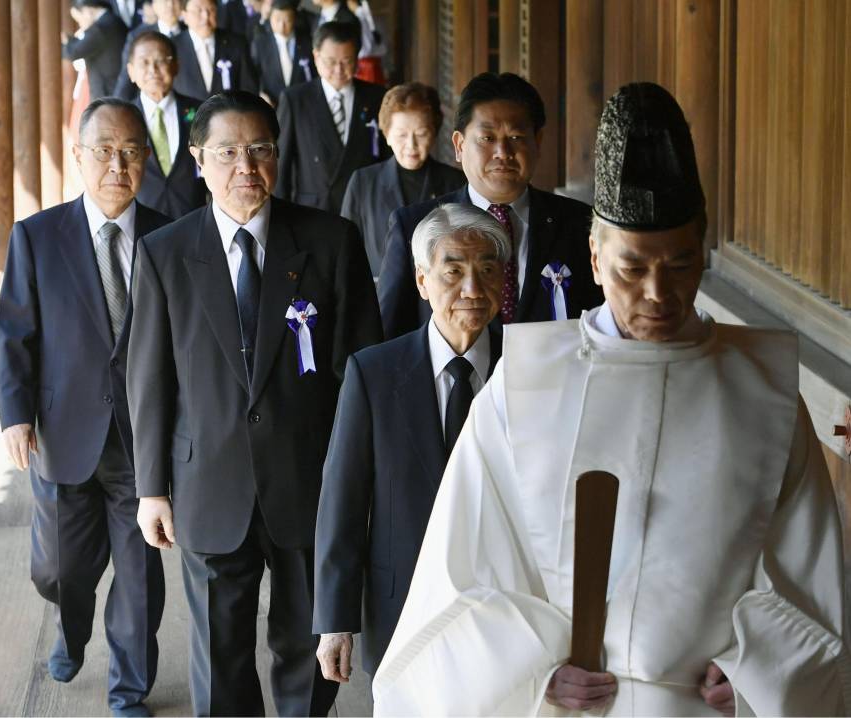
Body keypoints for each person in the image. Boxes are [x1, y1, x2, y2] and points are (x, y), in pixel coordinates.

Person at [372, 82, 851, 716]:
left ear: (703, 254)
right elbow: (464, 570)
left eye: (680, 265)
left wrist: (758, 667)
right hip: (569, 701)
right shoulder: (526, 383)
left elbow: (807, 572)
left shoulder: (760, 390)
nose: (658, 292)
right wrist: (535, 670)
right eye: (633, 268)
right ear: (595, 257)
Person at [127, 90, 382, 716]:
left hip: (307, 481)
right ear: (198, 160)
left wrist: (359, 484)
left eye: (261, 149)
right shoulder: (165, 252)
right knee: (220, 657)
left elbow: (362, 370)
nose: (247, 167)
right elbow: (149, 375)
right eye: (228, 153)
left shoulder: (330, 240)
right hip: (207, 480)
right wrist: (150, 487)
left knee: (308, 648)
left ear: (279, 153)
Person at [0, 98, 169, 718]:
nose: (117, 165)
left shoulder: (170, 236)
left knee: (141, 578)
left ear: (146, 159)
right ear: (79, 156)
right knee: (60, 572)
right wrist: (15, 414)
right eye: (104, 151)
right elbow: (15, 332)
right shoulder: (37, 236)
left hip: (143, 440)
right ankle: (70, 631)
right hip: (63, 432)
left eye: (130, 152)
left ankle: (128, 691)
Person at [313, 204, 506, 683]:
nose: (472, 289)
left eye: (486, 271)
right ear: (422, 281)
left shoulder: (527, 366)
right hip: (403, 600)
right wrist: (335, 622)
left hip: (505, 602)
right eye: (454, 271)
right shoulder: (374, 373)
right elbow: (344, 500)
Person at [377, 72, 603, 340]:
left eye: (517, 137)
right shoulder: (413, 226)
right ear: (459, 146)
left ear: (538, 142)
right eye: (487, 138)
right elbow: (390, 337)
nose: (503, 152)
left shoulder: (579, 224)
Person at [341, 82, 464, 277]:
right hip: (380, 297)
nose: (411, 145)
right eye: (401, 135)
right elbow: (346, 251)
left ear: (434, 133)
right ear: (387, 135)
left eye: (421, 134)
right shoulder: (363, 182)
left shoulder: (455, 182)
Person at [275, 21, 389, 214]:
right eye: (331, 62)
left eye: (347, 61)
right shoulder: (295, 100)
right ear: (316, 56)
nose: (339, 69)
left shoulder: (377, 97)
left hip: (363, 206)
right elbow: (281, 163)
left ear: (357, 59)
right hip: (313, 210)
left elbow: (387, 159)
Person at [127, 30, 207, 218]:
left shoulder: (200, 112)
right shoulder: (124, 117)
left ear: (176, 66)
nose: (153, 70)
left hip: (193, 218)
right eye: (144, 62)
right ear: (131, 71)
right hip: (142, 222)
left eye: (161, 61)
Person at [171, 0, 258, 101]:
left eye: (210, 9)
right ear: (184, 16)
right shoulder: (173, 47)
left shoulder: (237, 43)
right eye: (198, 10)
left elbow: (249, 88)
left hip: (229, 114)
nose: (205, 16)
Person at [113, 0, 186, 100]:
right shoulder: (138, 35)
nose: (170, 5)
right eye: (165, 1)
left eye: (175, 0)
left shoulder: (194, 31)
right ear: (154, 5)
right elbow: (126, 80)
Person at [251, 0, 316, 107]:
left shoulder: (307, 42)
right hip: (272, 104)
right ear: (270, 18)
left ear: (294, 19)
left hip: (303, 103)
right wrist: (260, 94)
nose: (282, 26)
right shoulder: (260, 44)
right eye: (277, 20)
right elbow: (254, 74)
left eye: (287, 20)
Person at [62, 0, 129, 100]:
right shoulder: (112, 20)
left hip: (108, 92)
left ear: (88, 11)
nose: (80, 24)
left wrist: (64, 42)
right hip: (114, 89)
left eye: (79, 19)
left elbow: (73, 52)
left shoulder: (100, 29)